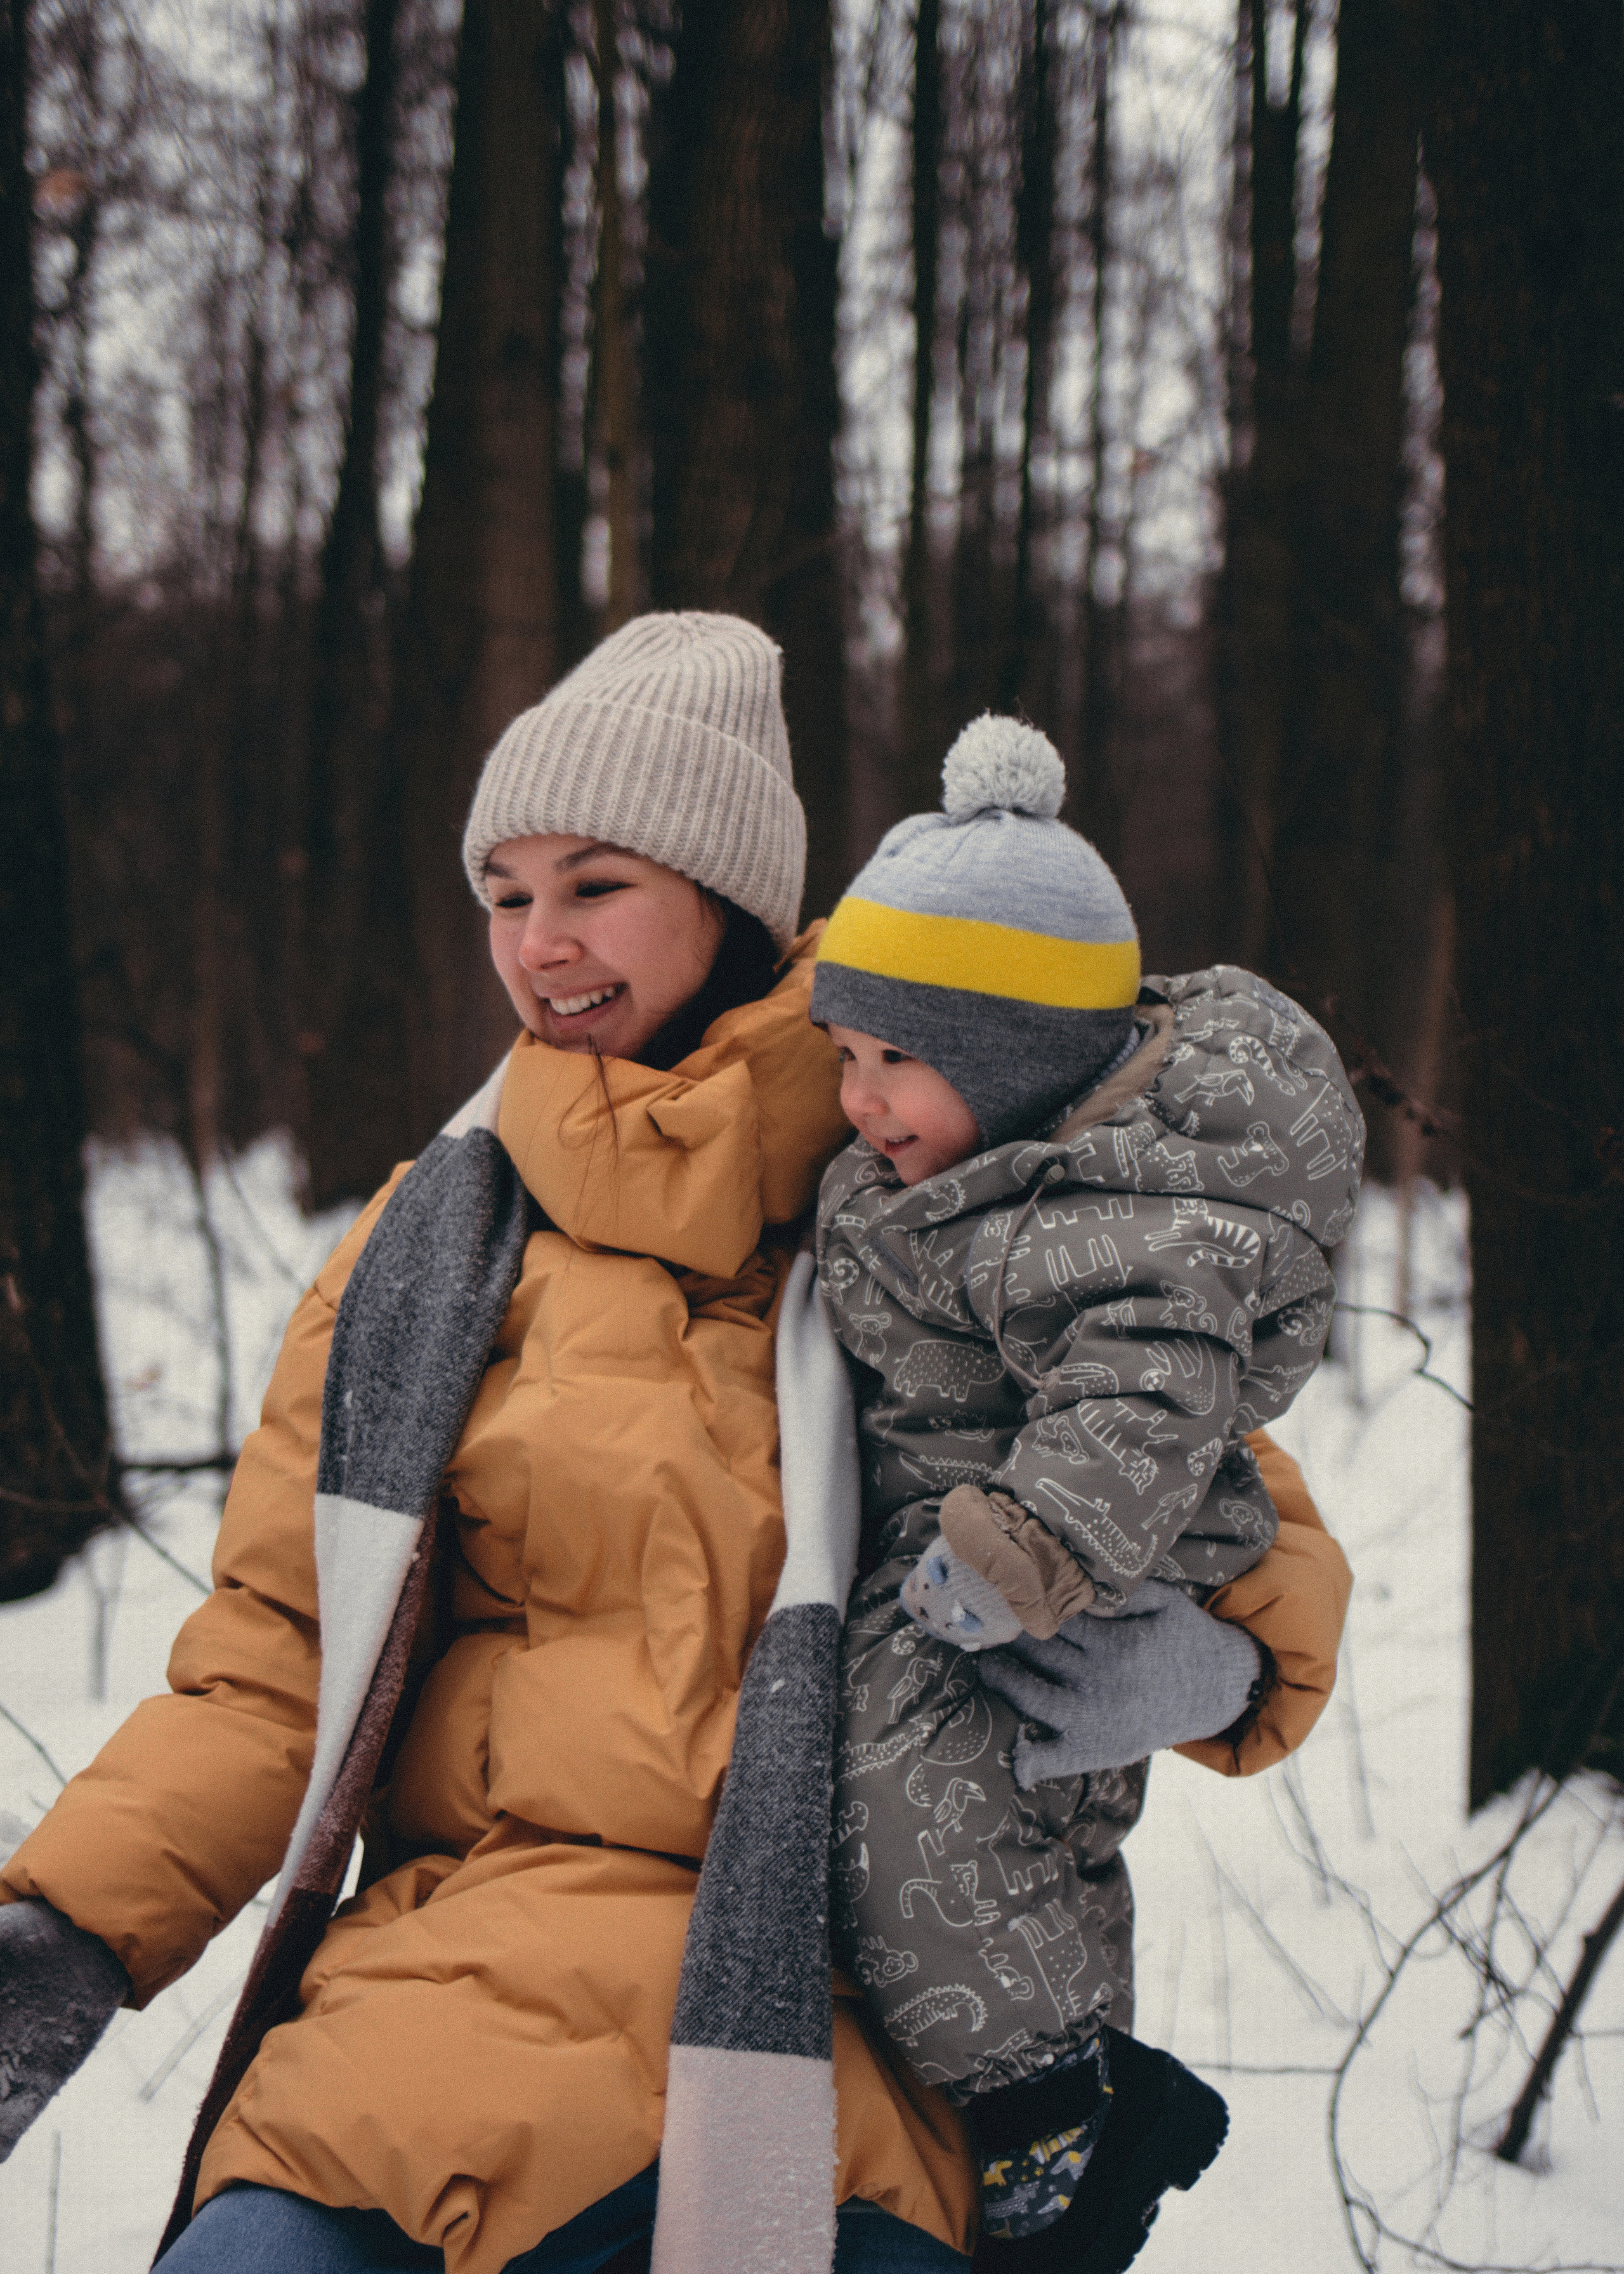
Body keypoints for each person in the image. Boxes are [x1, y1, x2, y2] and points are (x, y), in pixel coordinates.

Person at [0, 625, 1347, 2274]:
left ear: (728, 898)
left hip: (836, 2010)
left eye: (595, 884)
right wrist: (64, 1927)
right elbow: (281, 1662)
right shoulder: (432, 1249)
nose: (539, 944)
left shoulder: (938, 1190)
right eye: (505, 893)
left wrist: (1219, 1665)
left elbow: (1201, 1475)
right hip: (443, 2000)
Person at [808, 715, 1362, 2272]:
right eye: (841, 1058)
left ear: (1018, 1061)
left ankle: (1057, 2099)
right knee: (958, 1833)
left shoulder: (1111, 1220)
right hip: (954, 1567)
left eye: (898, 1061)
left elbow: (1147, 1398)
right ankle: (1058, 2097)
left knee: (939, 1826)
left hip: (1025, 1585)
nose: (857, 1101)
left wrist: (1033, 1546)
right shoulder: (953, 1176)